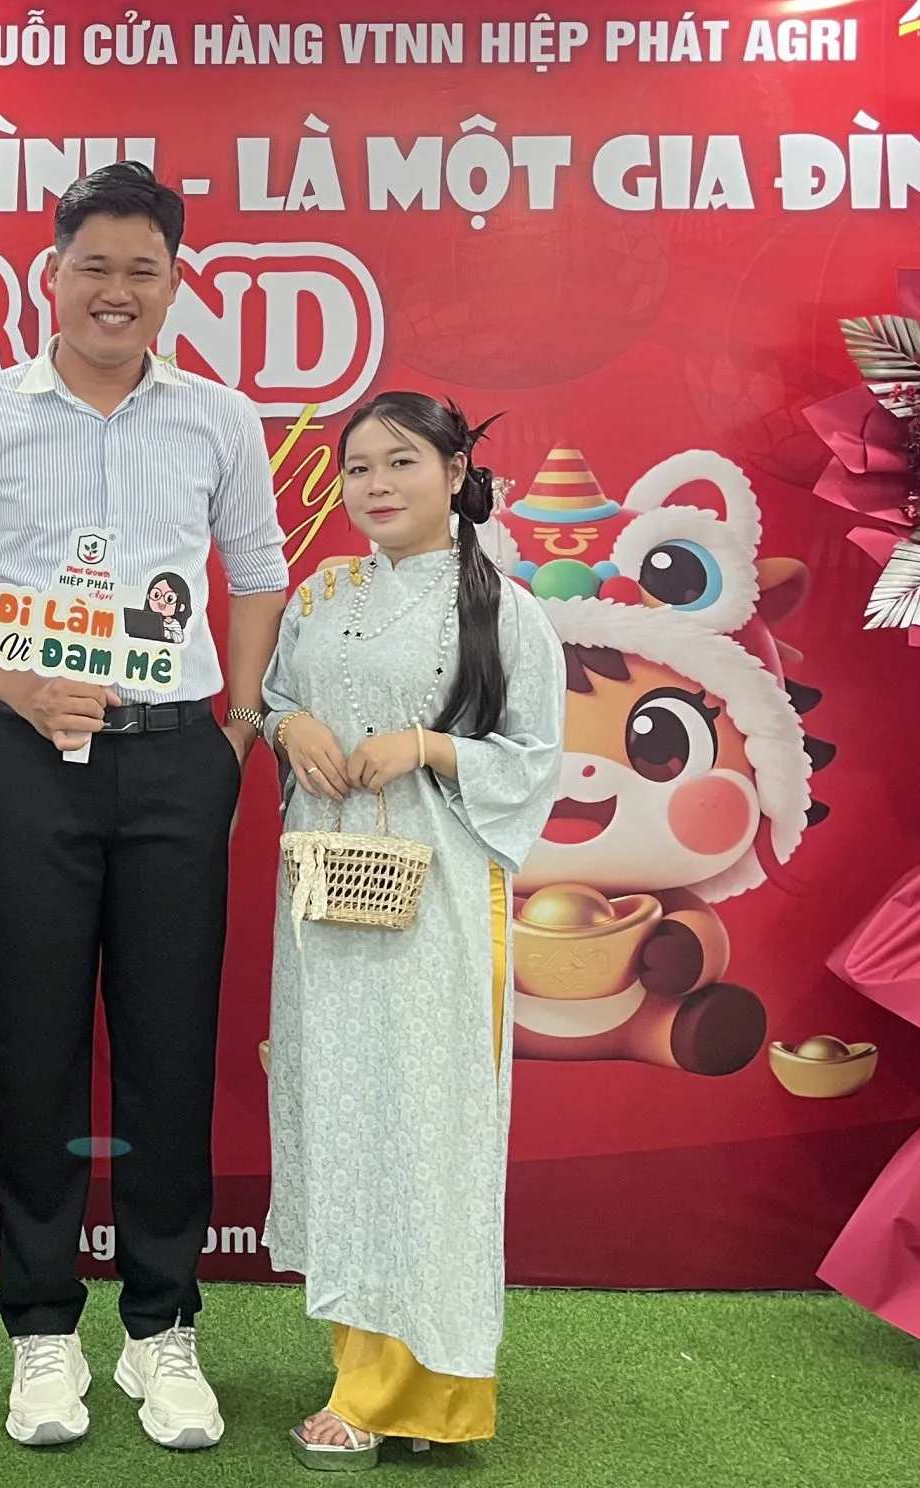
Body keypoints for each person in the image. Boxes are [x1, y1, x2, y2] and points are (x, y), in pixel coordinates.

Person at [0, 162, 288, 1452]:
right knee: (35, 1041)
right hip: (36, 758)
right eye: (93, 267)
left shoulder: (219, 418)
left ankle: (162, 1328)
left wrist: (236, 729)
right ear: (50, 273)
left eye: (142, 270)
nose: (115, 291)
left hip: (180, 754)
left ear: (175, 285)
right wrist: (15, 687)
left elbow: (259, 574)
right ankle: (41, 1330)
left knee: (171, 1045)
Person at [259, 392, 564, 1467]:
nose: (375, 486)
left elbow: (535, 760)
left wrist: (427, 749)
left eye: (400, 462)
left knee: (425, 1122)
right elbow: (275, 696)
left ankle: (411, 1387)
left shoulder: (503, 611)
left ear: (454, 474)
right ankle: (362, 1367)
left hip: (438, 911)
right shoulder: (321, 592)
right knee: (346, 1113)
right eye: (357, 468)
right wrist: (289, 723)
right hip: (327, 896)